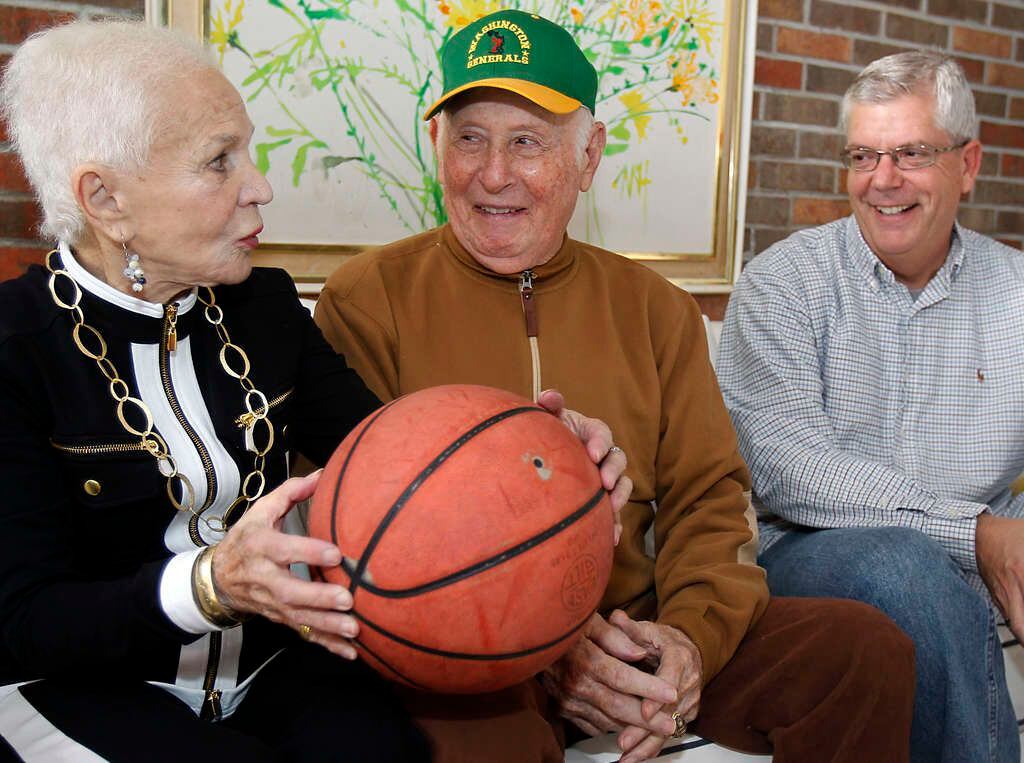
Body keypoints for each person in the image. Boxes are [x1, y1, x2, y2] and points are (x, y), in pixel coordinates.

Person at [0, 19, 631, 762]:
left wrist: (540, 459)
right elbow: (21, 619)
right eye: (218, 162)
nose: (260, 186)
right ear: (104, 198)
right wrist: (209, 584)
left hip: (271, 664)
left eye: (249, 152)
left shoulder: (264, 308)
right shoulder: (16, 350)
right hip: (83, 682)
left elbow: (399, 459)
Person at [314, 10, 917, 763]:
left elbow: (711, 498)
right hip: (469, 652)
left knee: (863, 651)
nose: (492, 173)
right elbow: (350, 533)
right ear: (438, 146)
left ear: (589, 155)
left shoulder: (656, 309)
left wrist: (686, 642)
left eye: (527, 141)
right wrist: (549, 648)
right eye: (469, 137)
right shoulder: (367, 298)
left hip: (635, 630)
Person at [717, 50, 1022, 763]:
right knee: (905, 565)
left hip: (972, 547)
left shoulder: (1014, 292)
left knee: (923, 567)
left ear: (968, 164)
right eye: (863, 155)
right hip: (806, 550)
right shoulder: (783, 284)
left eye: (911, 152)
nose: (882, 180)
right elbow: (789, 469)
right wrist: (974, 534)